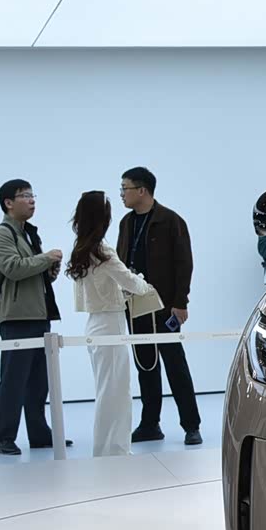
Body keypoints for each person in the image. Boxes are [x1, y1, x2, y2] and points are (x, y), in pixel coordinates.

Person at [114, 167, 201, 445]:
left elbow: (184, 264)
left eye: (125, 188)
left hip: (165, 307)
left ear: (142, 190)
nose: (122, 194)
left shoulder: (171, 221)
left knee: (175, 364)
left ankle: (191, 425)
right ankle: (150, 423)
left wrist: (180, 303)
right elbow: (120, 262)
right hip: (135, 305)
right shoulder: (126, 223)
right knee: (146, 365)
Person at [0, 179, 71, 456]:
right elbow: (12, 268)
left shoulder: (29, 234)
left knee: (39, 381)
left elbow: (31, 273)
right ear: (8, 203)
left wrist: (49, 271)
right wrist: (46, 259)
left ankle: (39, 434)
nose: (32, 200)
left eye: (32, 195)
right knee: (13, 379)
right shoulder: (2, 234)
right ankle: (5, 437)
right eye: (24, 195)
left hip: (38, 314)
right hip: (16, 318)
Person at [68, 191, 154, 457]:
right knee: (116, 392)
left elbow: (104, 288)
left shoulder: (82, 248)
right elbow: (130, 281)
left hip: (97, 324)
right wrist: (143, 284)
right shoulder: (102, 249)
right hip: (110, 326)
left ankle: (110, 449)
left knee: (108, 390)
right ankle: (114, 450)